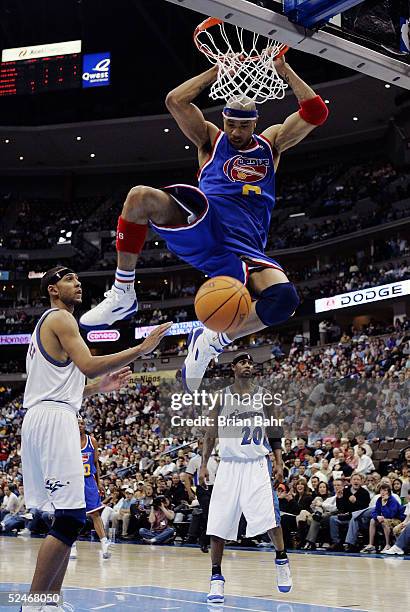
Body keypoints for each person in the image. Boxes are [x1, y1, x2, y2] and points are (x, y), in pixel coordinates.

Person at [79, 57, 328, 393]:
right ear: (222, 120)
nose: (236, 133)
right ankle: (123, 292)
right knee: (139, 197)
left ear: (255, 123)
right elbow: (175, 100)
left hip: (245, 247)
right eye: (231, 125)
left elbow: (316, 113)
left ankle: (212, 340)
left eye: (243, 126)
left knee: (284, 299)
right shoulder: (211, 140)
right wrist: (217, 71)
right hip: (207, 226)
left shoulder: (272, 144)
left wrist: (285, 70)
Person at [20, 266, 171, 610]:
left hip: (47, 415)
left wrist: (97, 389)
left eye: (77, 278)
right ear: (52, 289)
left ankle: (51, 601)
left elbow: (63, 386)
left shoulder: (54, 325)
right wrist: (141, 348)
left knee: (66, 518)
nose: (77, 284)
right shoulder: (60, 318)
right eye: (69, 279)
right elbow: (88, 364)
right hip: (53, 421)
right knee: (72, 518)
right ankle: (33, 604)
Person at [200, 353, 292, 604]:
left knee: (270, 517)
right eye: (243, 362)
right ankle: (216, 579)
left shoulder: (265, 395)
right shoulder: (221, 397)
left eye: (251, 363)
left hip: (256, 464)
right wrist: (203, 464)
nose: (248, 366)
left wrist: (279, 460)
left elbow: (275, 432)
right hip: (229, 465)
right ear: (233, 367)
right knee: (218, 524)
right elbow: (210, 434)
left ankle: (282, 559)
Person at [69, 416, 111, 560]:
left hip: (88, 481)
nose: (80, 425)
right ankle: (73, 546)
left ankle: (104, 543)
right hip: (74, 481)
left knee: (95, 514)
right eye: (77, 423)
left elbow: (96, 463)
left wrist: (99, 482)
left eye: (82, 423)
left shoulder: (91, 441)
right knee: (73, 514)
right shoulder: (69, 441)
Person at [361, 483, 406, 553]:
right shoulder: (379, 499)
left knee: (384, 521)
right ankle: (371, 545)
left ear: (388, 492)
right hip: (387, 519)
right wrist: (377, 516)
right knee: (372, 520)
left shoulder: (392, 500)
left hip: (398, 520)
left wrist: (384, 505)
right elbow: (374, 511)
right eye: (381, 490)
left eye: (385, 490)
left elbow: (391, 514)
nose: (382, 492)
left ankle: (388, 544)